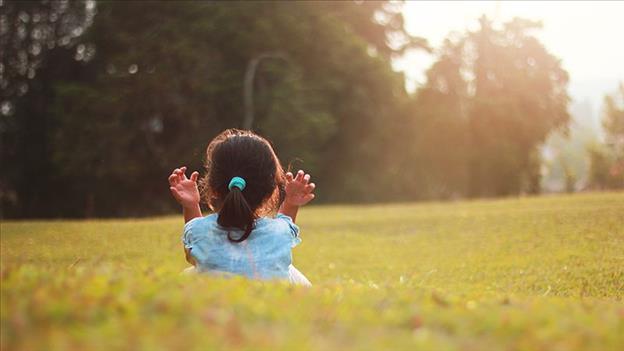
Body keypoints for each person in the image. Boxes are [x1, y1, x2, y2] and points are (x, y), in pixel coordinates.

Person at [167, 129, 314, 285]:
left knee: (189, 275)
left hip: (213, 304)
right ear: (271, 191)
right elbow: (285, 227)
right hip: (271, 303)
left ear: (213, 188)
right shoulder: (280, 231)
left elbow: (195, 250)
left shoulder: (199, 230)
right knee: (292, 273)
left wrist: (191, 206)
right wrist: (291, 203)